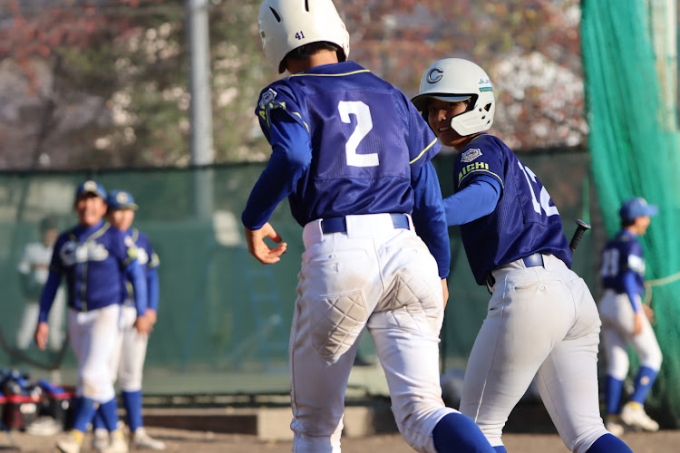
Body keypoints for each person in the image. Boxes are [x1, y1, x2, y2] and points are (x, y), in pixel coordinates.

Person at [242, 1, 495, 452]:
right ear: (336, 30)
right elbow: (428, 199)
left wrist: (254, 218)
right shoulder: (390, 93)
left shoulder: (288, 93)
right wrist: (440, 269)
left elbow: (294, 155)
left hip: (339, 251)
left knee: (316, 427)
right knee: (425, 411)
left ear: (273, 41)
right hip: (408, 251)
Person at [411, 58, 633, 453]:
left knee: (477, 430)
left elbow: (484, 195)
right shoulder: (505, 156)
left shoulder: (478, 147)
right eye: (432, 107)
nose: (438, 116)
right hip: (571, 293)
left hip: (529, 289)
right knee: (587, 433)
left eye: (449, 105)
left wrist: (429, 214)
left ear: (477, 104)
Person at [34, 180, 152, 453]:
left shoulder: (114, 236)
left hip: (106, 312)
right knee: (94, 377)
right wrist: (42, 319)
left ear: (102, 207)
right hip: (76, 315)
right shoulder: (65, 240)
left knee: (90, 373)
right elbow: (52, 283)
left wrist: (142, 311)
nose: (88, 205)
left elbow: (137, 274)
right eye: (83, 199)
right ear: (76, 205)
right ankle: (116, 437)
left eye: (94, 199)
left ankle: (76, 435)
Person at [90, 190, 166, 451]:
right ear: (107, 213)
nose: (123, 216)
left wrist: (149, 309)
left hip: (135, 312)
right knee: (105, 374)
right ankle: (102, 432)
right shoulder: (101, 239)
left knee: (132, 374)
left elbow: (151, 276)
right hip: (108, 312)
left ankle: (137, 432)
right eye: (117, 210)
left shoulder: (140, 239)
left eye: (127, 210)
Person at [599, 197, 662, 436]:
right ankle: (635, 406)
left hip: (607, 302)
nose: (647, 220)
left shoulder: (612, 242)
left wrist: (637, 304)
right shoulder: (633, 244)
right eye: (645, 216)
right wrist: (636, 310)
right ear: (636, 219)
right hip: (625, 303)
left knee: (618, 363)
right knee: (652, 356)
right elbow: (627, 278)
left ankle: (612, 419)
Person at [16, 215, 65, 353]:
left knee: (55, 326)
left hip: (55, 292)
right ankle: (17, 359)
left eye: (52, 230)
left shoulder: (61, 250)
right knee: (26, 325)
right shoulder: (31, 249)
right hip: (35, 291)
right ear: (41, 231)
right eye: (47, 230)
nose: (50, 233)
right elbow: (22, 271)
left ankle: (54, 361)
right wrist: (28, 290)